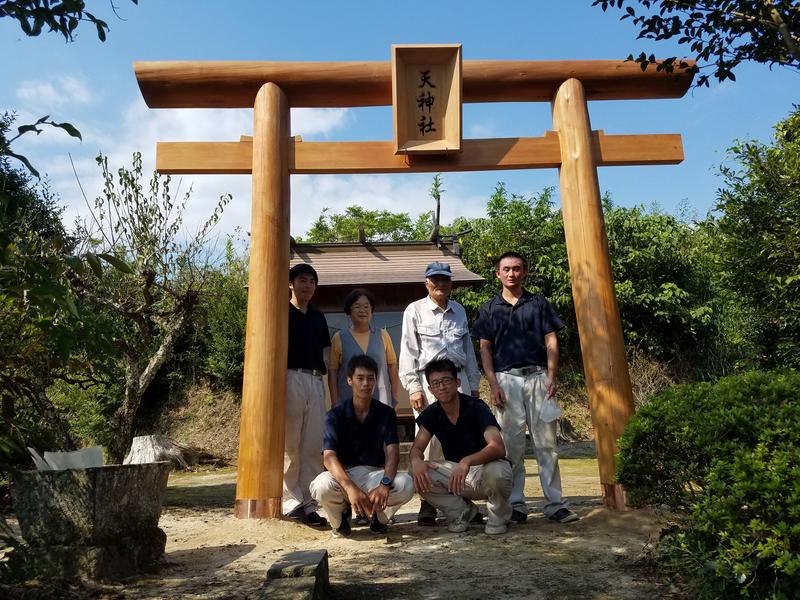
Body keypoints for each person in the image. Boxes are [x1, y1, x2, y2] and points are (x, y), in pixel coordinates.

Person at [471, 251, 579, 524]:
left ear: (525, 272)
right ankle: (516, 505)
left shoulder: (538, 303)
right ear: (498, 274)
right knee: (511, 448)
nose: (512, 273)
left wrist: (551, 376)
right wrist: (492, 383)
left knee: (547, 445)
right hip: (506, 380)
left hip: (539, 377)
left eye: (517, 268)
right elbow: (485, 349)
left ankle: (555, 504)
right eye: (506, 269)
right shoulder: (489, 308)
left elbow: (551, 340)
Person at [399, 261, 481, 525]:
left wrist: (474, 385)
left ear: (451, 283)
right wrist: (413, 387)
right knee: (429, 443)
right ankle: (428, 502)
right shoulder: (414, 310)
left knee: (463, 439)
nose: (440, 284)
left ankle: (462, 496)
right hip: (428, 384)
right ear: (426, 283)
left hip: (458, 381)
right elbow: (408, 351)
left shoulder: (460, 311)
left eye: (444, 279)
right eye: (435, 280)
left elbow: (468, 352)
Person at [310, 354, 414, 538]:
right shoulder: (335, 415)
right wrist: (351, 488)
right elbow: (329, 457)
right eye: (360, 378)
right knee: (321, 485)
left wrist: (384, 484)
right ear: (349, 380)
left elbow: (393, 453)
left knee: (405, 483)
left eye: (370, 378)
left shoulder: (386, 413)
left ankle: (379, 518)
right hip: (344, 475)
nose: (366, 383)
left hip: (374, 475)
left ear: (375, 381)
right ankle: (340, 519)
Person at [409, 359, 512, 535]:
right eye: (436, 383)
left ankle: (499, 515)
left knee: (499, 473)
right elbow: (417, 449)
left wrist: (467, 461)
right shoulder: (432, 413)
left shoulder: (476, 407)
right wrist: (416, 460)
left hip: (485, 469)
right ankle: (462, 512)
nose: (442, 387)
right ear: (430, 389)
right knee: (415, 473)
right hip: (458, 476)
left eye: (446, 380)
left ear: (457, 382)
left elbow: (498, 447)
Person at [283, 263, 331, 527]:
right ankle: (291, 501)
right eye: (302, 280)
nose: (308, 286)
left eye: (312, 282)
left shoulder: (318, 317)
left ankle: (310, 504)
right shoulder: (282, 312)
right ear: (291, 284)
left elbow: (325, 352)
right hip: (291, 377)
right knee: (290, 444)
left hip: (315, 380)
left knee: (312, 446)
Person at [328, 288, 402, 408]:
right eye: (357, 307)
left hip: (381, 400)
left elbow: (392, 366)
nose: (362, 310)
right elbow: (333, 371)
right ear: (349, 311)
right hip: (348, 401)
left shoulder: (383, 335)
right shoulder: (339, 338)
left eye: (366, 307)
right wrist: (335, 402)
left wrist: (395, 397)